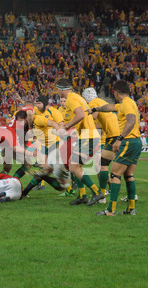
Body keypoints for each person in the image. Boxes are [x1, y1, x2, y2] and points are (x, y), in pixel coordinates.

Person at [87, 80, 142, 216]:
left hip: (128, 141)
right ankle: (130, 208)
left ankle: (111, 210)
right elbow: (110, 107)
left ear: (116, 92)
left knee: (114, 174)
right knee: (128, 175)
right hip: (136, 141)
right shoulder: (128, 103)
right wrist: (95, 109)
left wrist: (119, 139)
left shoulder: (127, 104)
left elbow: (131, 121)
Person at [56, 78, 104, 207]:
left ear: (61, 89)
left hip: (88, 136)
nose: (57, 92)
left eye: (57, 89)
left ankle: (96, 192)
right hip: (86, 135)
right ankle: (82, 195)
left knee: (73, 166)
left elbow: (80, 115)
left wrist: (66, 127)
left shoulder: (71, 99)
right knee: (75, 166)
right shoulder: (76, 97)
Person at [82, 87, 121, 205]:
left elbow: (94, 116)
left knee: (102, 165)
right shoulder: (101, 101)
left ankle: (102, 196)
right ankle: (130, 196)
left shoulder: (93, 103)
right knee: (120, 168)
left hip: (113, 136)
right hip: (117, 133)